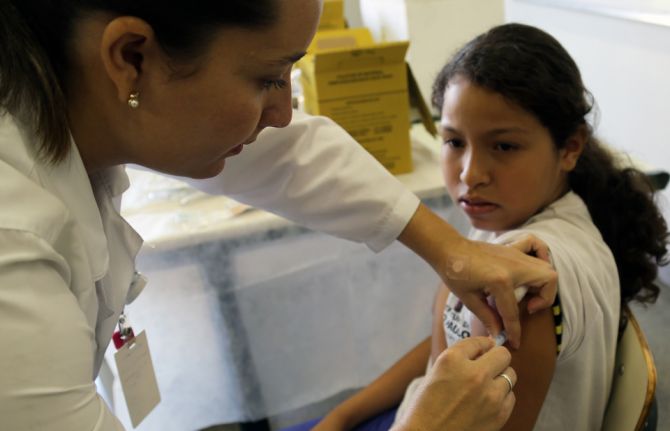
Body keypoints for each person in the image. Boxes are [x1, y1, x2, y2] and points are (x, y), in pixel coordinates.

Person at [0, 2, 558, 429]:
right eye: (268, 78)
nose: (286, 111)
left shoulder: (71, 101)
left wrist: (452, 249)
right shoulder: (12, 246)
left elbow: (291, 152)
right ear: (131, 57)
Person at [302, 23, 669, 431]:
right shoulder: (520, 219)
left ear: (570, 148)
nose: (471, 174)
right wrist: (341, 416)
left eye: (504, 146)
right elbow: (445, 350)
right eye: (454, 141)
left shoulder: (522, 277)